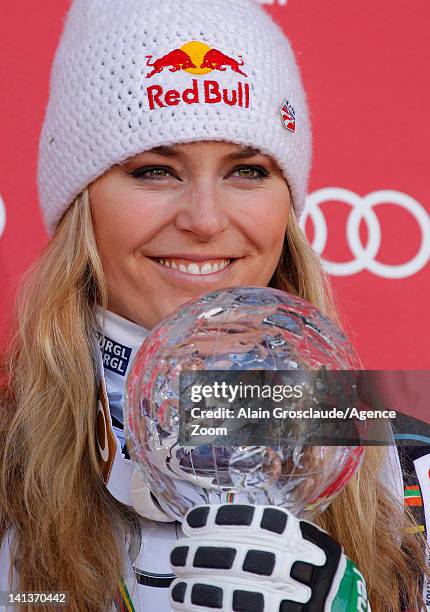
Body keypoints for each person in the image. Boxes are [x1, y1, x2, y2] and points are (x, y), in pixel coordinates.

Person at [0, 0, 428, 610]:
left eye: (247, 171)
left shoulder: (408, 461)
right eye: (154, 171)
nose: (204, 220)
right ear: (81, 207)